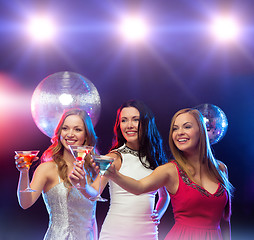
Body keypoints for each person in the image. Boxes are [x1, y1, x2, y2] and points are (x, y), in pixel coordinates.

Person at [105, 108, 234, 240]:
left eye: (187, 127)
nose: (180, 133)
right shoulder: (170, 170)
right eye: (175, 129)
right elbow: (139, 187)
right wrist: (114, 175)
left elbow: (225, 219)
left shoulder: (221, 168)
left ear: (201, 130)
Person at [70, 99, 170, 240]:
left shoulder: (156, 159)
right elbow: (94, 192)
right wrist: (82, 186)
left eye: (135, 120)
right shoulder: (115, 157)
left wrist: (158, 214)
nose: (129, 125)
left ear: (147, 123)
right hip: (116, 233)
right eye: (124, 120)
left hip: (149, 234)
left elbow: (164, 196)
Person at [15, 108, 99, 240]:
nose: (70, 134)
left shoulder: (93, 170)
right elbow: (25, 203)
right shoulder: (46, 169)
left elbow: (92, 219)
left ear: (86, 135)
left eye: (77, 129)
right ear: (59, 133)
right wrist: (24, 172)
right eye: (65, 128)